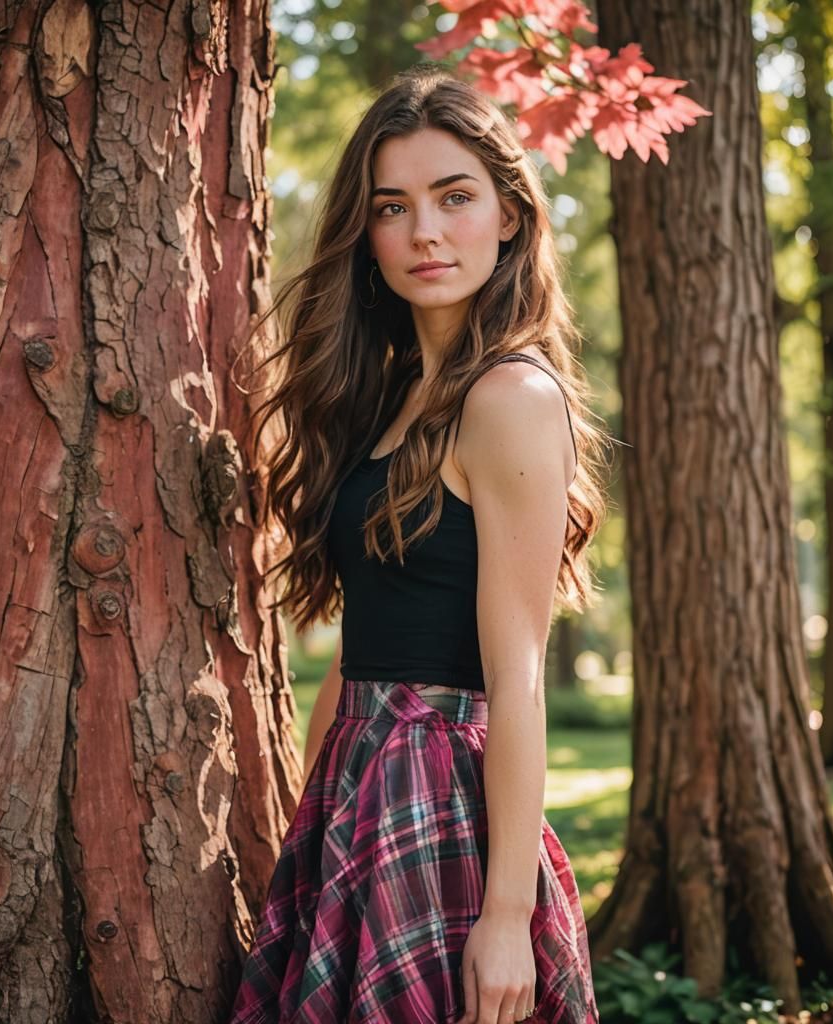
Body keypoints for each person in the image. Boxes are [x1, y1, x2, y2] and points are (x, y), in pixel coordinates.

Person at [228, 63, 609, 1024]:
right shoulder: (391, 399)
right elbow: (365, 641)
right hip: (355, 793)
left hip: (444, 803)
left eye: (455, 197)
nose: (425, 232)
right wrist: (304, 827)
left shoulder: (511, 398)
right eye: (393, 207)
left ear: (511, 215)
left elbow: (515, 676)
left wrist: (508, 914)